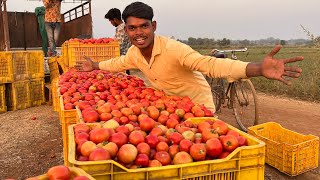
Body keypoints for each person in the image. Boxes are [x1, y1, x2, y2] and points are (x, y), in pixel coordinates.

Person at [79, 1, 303, 112]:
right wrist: (95, 64)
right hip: (169, 107)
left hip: (199, 108)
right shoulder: (134, 54)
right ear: (126, 30)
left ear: (153, 25)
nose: (139, 33)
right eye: (133, 28)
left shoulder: (174, 49)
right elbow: (117, 63)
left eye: (144, 26)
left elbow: (210, 64)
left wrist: (257, 69)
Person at [105, 8, 132, 75]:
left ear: (115, 19)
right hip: (127, 57)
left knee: (124, 77)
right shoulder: (125, 26)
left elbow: (118, 46)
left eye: (110, 21)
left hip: (122, 59)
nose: (111, 23)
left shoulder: (121, 29)